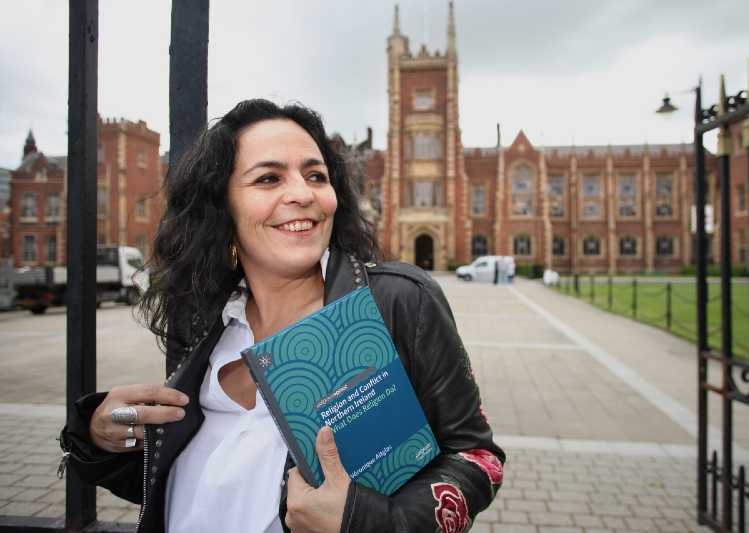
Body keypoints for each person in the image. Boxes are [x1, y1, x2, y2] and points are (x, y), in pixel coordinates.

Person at [60, 99, 504, 533]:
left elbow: (478, 460)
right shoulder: (204, 317)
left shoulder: (397, 302)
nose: (303, 194)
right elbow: (204, 475)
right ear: (223, 205)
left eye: (316, 175)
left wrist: (368, 522)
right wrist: (100, 436)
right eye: (269, 178)